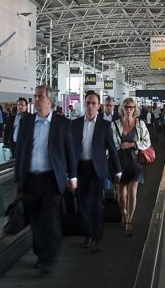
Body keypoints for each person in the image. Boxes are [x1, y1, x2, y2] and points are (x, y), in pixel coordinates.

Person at [13, 85, 78, 275]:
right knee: (35, 219)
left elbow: (70, 151)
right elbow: (20, 152)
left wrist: (73, 176)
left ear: (50, 101)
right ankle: (41, 253)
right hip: (31, 179)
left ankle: (48, 258)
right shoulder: (26, 122)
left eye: (40, 96)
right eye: (35, 96)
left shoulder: (62, 123)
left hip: (52, 179)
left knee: (49, 217)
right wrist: (18, 179)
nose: (36, 99)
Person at [70, 91, 122, 252]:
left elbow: (112, 149)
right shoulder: (75, 124)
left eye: (94, 103)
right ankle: (87, 234)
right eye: (88, 103)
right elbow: (70, 149)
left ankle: (96, 237)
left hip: (97, 169)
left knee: (94, 204)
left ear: (99, 106)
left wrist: (118, 170)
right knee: (83, 204)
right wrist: (69, 172)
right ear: (84, 104)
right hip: (80, 169)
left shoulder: (104, 125)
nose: (90, 106)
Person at [113, 98, 151, 237]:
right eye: (126, 107)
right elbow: (111, 143)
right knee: (121, 194)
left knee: (132, 191)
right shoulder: (115, 124)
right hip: (120, 162)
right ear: (122, 108)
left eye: (131, 107)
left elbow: (147, 142)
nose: (129, 109)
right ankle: (123, 212)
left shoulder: (140, 124)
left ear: (135, 109)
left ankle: (129, 220)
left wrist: (133, 144)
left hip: (135, 162)